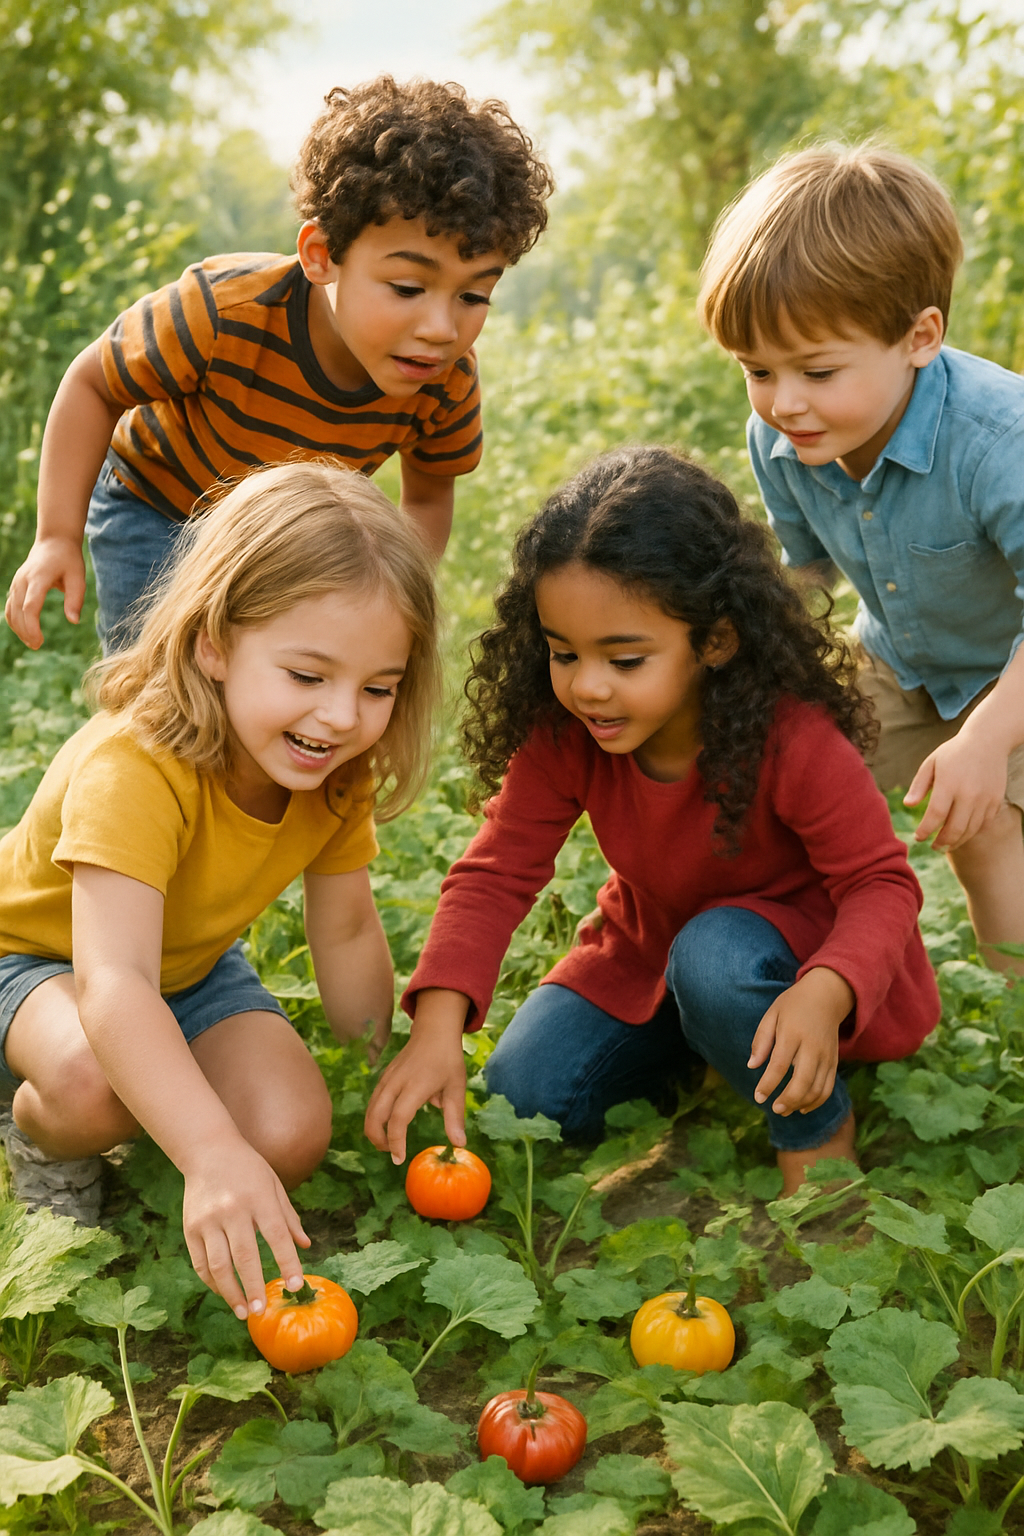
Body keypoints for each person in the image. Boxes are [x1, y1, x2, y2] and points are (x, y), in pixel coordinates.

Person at [364, 446, 939, 1194]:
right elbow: (494, 875)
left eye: (625, 660)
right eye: (563, 653)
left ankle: (817, 1129)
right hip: (651, 953)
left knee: (716, 959)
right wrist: (437, 1027)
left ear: (716, 640)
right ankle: (708, 1047)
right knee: (526, 1094)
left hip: (800, 963)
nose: (588, 687)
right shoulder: (568, 734)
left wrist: (826, 990)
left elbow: (881, 886)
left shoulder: (792, 738)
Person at [0, 459, 440, 1322]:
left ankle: (157, 1114)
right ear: (214, 643)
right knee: (93, 1081)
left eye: (377, 688)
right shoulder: (135, 767)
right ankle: (38, 1129)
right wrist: (206, 1149)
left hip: (188, 969)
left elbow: (347, 929)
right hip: (36, 964)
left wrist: (378, 1070)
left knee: (289, 1133)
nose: (340, 716)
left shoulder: (336, 770)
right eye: (307, 676)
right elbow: (114, 982)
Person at [5, 75, 553, 654]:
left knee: (276, 675)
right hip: (159, 506)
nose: (442, 329)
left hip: (281, 537)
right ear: (322, 255)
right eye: (407, 287)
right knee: (157, 673)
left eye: (473, 295)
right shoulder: (222, 311)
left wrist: (396, 596)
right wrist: (55, 536)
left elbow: (427, 498)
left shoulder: (445, 379)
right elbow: (94, 385)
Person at [698, 143, 1024, 975]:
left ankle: (1011, 1009)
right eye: (757, 370)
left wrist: (984, 743)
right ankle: (769, 968)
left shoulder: (998, 443)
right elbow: (805, 575)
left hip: (1012, 675)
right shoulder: (783, 436)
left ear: (919, 338)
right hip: (901, 659)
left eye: (817, 370)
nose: (785, 402)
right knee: (785, 766)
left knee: (982, 823)